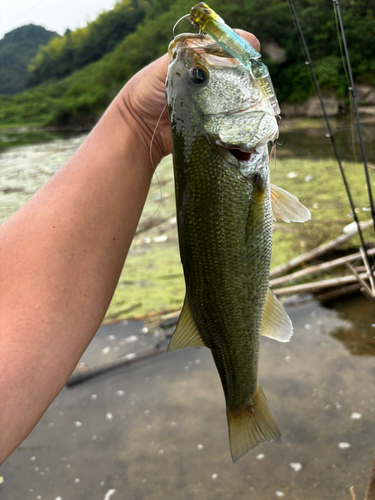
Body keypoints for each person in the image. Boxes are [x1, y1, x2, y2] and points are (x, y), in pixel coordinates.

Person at [0, 30, 260, 464]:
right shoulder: (232, 148)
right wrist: (134, 120)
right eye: (199, 77)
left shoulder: (224, 144)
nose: (200, 73)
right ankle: (244, 403)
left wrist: (134, 121)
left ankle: (242, 398)